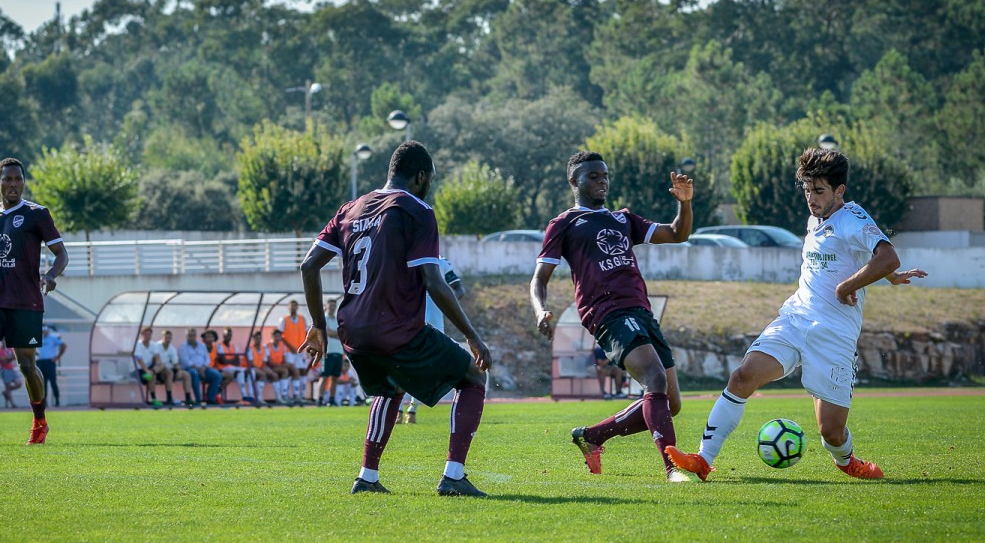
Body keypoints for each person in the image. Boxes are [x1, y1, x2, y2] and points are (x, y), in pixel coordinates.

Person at [666, 148, 928, 481]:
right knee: (742, 377)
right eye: (807, 190)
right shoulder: (814, 219)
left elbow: (887, 256)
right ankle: (703, 459)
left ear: (839, 190)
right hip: (795, 318)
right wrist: (885, 276)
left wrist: (851, 285)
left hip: (834, 333)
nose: (811, 198)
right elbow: (861, 255)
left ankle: (847, 461)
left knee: (831, 433)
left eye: (819, 191)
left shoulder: (853, 217)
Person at [300, 140, 493, 497]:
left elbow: (308, 265)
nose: (430, 185)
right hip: (395, 328)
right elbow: (433, 281)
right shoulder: (416, 209)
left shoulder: (350, 209)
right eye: (431, 179)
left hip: (353, 331)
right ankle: (454, 475)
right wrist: (471, 335)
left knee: (390, 387)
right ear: (420, 176)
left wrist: (317, 325)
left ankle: (367, 477)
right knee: (473, 376)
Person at [530, 150, 693, 482]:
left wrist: (685, 203)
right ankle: (673, 467)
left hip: (641, 311)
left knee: (671, 403)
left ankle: (592, 436)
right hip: (606, 312)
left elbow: (678, 234)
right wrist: (540, 309)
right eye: (593, 176)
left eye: (605, 175)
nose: (602, 181)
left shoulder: (623, 219)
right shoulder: (564, 224)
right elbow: (539, 280)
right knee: (655, 380)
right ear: (574, 180)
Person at [0, 157, 68, 446]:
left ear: (23, 182)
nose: (13, 184)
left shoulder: (37, 214)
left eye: (18, 179)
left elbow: (62, 254)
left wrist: (50, 275)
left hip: (25, 301)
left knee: (26, 365)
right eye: (8, 179)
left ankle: (40, 422)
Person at [401, 256, 465, 424]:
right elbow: (459, 289)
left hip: (417, 319)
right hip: (415, 319)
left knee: (408, 366)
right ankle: (407, 410)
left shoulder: (435, 262)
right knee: (413, 367)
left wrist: (448, 303)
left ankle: (407, 409)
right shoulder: (432, 261)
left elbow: (458, 288)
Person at [178, 328, 221, 409]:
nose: (192, 337)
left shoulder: (202, 346)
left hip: (203, 369)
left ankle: (210, 399)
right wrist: (199, 369)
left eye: (193, 335)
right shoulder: (183, 347)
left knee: (217, 375)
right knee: (195, 373)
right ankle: (198, 400)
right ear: (186, 336)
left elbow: (207, 359)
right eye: (190, 335)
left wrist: (203, 368)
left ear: (196, 336)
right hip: (190, 369)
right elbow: (186, 362)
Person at [280, 300, 309, 403]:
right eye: (291, 306)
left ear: (297, 307)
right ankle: (286, 395)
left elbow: (307, 333)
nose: (293, 308)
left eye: (295, 306)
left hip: (300, 350)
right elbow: (280, 336)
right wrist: (290, 347)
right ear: (288, 307)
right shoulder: (284, 319)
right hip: (289, 351)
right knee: (291, 371)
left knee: (302, 371)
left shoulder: (302, 319)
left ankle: (300, 395)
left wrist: (306, 346)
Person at [157, 329, 195, 407]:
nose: (168, 340)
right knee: (169, 373)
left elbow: (175, 363)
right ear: (162, 337)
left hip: (170, 370)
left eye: (169, 338)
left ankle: (188, 399)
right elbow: (155, 361)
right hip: (159, 371)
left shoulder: (172, 348)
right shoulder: (156, 346)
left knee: (186, 375)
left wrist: (179, 370)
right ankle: (169, 399)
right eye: (166, 338)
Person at [133, 326, 168, 408]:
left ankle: (152, 373)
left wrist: (156, 366)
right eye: (146, 334)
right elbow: (139, 359)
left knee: (162, 365)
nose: (148, 336)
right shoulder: (137, 344)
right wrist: (146, 370)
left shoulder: (153, 345)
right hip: (137, 370)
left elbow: (158, 358)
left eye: (149, 334)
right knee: (152, 376)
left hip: (149, 370)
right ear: (141, 335)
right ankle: (154, 398)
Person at [317, 298, 344, 406]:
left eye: (334, 305)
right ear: (326, 306)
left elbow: (343, 333)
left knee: (335, 377)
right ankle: (320, 399)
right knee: (324, 377)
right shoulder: (323, 319)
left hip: (338, 351)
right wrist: (337, 334)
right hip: (327, 352)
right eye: (330, 305)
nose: (332, 307)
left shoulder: (338, 319)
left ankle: (332, 399)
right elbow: (327, 332)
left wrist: (336, 334)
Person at [216, 327, 253, 404]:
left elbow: (237, 361)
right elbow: (222, 361)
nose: (228, 336)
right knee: (239, 372)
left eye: (230, 335)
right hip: (224, 368)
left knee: (250, 371)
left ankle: (250, 395)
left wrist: (229, 360)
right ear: (223, 335)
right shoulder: (219, 346)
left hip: (233, 368)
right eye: (227, 334)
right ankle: (244, 396)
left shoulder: (233, 346)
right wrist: (232, 360)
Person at [36, 324, 66, 406]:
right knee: (43, 383)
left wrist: (57, 357)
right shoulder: (38, 338)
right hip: (41, 362)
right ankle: (44, 401)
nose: (44, 331)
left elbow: (63, 346)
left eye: (45, 329)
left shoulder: (53, 337)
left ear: (48, 330)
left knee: (53, 382)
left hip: (50, 362)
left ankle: (57, 400)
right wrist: (37, 355)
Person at [246, 331, 278, 407]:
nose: (258, 340)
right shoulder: (250, 348)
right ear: (253, 339)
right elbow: (251, 363)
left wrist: (266, 370)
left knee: (274, 375)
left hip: (259, 368)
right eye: (257, 338)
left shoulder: (263, 348)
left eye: (260, 338)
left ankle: (279, 397)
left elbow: (264, 362)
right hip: (250, 368)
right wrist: (261, 369)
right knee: (262, 374)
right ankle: (258, 398)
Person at [265, 329, 294, 405]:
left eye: (279, 336)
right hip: (269, 368)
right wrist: (282, 366)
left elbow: (283, 360)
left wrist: (286, 365)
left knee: (293, 370)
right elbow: (269, 362)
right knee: (284, 371)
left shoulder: (282, 346)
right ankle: (281, 396)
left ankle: (291, 395)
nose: (277, 338)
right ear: (272, 337)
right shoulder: (267, 346)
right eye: (276, 336)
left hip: (278, 367)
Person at [0, 341, 23, 408]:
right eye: (3, 341)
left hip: (11, 369)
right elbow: (4, 361)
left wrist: (11, 358)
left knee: (19, 383)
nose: (5, 342)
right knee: (7, 387)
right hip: (5, 370)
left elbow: (15, 356)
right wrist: (12, 357)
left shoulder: (10, 349)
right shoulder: (0, 351)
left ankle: (6, 392)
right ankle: (12, 404)